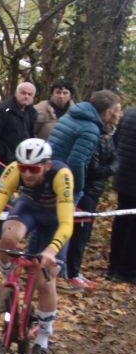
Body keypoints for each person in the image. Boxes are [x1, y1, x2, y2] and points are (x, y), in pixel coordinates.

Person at [0, 138, 73, 354]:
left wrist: (51, 249)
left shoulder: (62, 175)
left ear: (45, 166)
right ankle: (9, 280)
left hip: (55, 219)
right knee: (7, 238)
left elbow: (67, 223)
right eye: (23, 167)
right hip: (29, 209)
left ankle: (42, 340)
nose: (26, 174)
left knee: (45, 280)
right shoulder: (13, 170)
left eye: (33, 169)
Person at [49, 90, 123, 292]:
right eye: (116, 110)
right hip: (66, 182)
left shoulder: (73, 115)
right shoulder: (90, 129)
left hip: (52, 173)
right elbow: (77, 161)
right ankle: (60, 274)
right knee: (66, 229)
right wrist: (78, 189)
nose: (119, 115)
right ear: (107, 112)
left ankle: (56, 272)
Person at [67, 115, 119, 291]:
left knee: (85, 234)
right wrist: (112, 168)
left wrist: (113, 165)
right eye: (115, 113)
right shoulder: (92, 136)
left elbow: (115, 157)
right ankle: (71, 273)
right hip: (85, 190)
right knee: (78, 233)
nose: (118, 116)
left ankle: (74, 271)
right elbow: (93, 168)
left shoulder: (110, 135)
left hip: (96, 190)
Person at [0, 81, 36, 178]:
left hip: (22, 161)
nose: (26, 96)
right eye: (23, 93)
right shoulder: (2, 110)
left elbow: (31, 134)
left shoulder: (32, 112)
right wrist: (5, 155)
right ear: (16, 93)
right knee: (0, 190)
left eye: (29, 94)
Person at [108, 104, 136, 284]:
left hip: (123, 176)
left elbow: (116, 141)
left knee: (122, 219)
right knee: (133, 227)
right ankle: (128, 270)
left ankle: (114, 266)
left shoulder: (130, 113)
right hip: (132, 177)